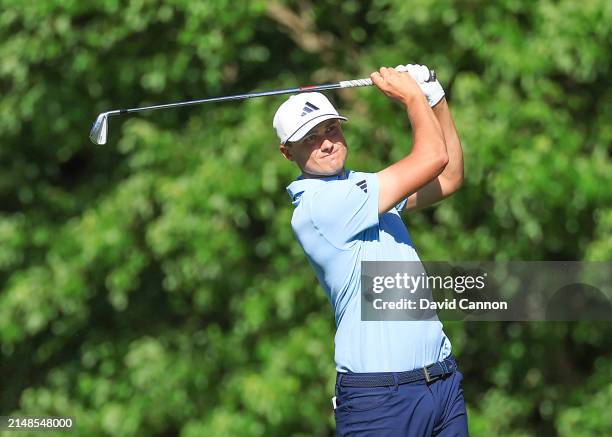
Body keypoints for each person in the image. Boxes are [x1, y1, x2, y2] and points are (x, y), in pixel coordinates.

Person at [273, 64, 467, 436]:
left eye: (331, 129)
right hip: (381, 400)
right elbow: (432, 159)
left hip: (441, 382)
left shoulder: (364, 187)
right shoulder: (318, 208)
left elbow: (449, 177)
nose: (326, 142)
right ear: (287, 152)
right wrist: (411, 96)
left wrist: (435, 97)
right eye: (310, 138)